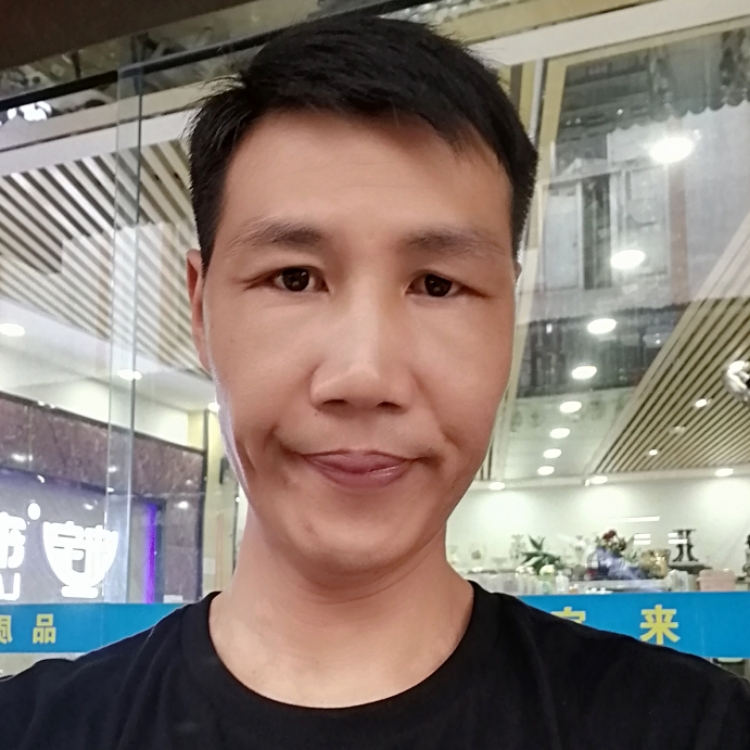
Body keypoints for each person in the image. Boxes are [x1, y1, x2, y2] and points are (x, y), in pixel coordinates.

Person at [2, 14, 749, 750]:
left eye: (437, 284)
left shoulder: (692, 726)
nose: (363, 377)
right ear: (200, 310)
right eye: (295, 278)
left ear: (509, 317)